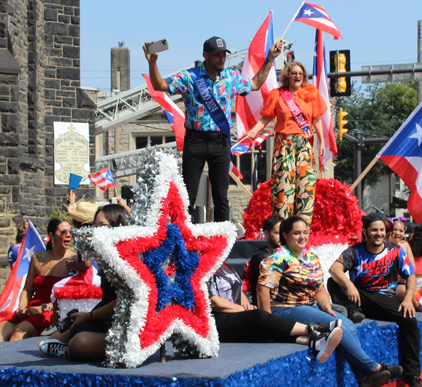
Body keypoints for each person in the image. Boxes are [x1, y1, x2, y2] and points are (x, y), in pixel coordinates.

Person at [143, 36, 282, 222]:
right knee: (188, 196)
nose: (221, 59)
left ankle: (222, 241)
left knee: (221, 196)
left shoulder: (232, 78)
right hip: (195, 141)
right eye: (217, 55)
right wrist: (153, 64)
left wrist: (270, 59)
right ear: (205, 55)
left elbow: (255, 84)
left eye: (224, 55)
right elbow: (159, 85)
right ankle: (184, 239)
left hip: (220, 142)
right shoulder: (190, 77)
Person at [258, 216, 403, 387]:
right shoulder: (278, 257)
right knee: (338, 324)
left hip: (308, 306)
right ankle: (373, 367)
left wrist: (327, 308)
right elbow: (263, 289)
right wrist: (267, 320)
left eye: (305, 232)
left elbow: (319, 289)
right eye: (297, 233)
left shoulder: (311, 257)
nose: (302, 237)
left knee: (346, 323)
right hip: (284, 308)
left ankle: (363, 378)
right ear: (286, 235)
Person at [328, 214, 421, 387]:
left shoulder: (395, 250)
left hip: (384, 300)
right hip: (360, 299)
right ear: (365, 231)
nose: (379, 233)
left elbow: (411, 275)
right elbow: (334, 268)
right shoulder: (355, 251)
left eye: (382, 230)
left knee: (409, 319)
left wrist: (408, 298)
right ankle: (354, 311)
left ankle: (412, 375)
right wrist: (349, 284)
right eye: (374, 230)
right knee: (333, 281)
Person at [39, 205, 128, 360]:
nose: (96, 231)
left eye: (103, 226)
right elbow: (83, 253)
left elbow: (121, 304)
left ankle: (69, 351)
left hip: (125, 326)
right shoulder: (101, 253)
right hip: (103, 318)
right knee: (52, 340)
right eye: (95, 226)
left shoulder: (127, 259)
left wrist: (89, 316)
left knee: (79, 344)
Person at [209, 261, 342, 363]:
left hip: (234, 312)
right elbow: (214, 302)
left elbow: (239, 291)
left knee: (265, 327)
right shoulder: (201, 267)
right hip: (215, 321)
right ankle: (314, 328)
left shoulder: (224, 265)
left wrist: (246, 305)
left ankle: (313, 341)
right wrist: (244, 310)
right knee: (259, 316)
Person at [247, 61, 326, 227]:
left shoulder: (310, 93)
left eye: (300, 73)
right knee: (284, 189)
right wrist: (255, 130)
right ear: (287, 76)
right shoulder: (277, 94)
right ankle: (282, 231)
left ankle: (302, 232)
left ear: (303, 76)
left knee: (306, 188)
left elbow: (317, 119)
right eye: (293, 73)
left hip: (304, 145)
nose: (297, 76)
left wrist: (322, 142)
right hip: (284, 146)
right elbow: (266, 117)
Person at [0, 218, 75, 342]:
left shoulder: (74, 260)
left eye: (70, 232)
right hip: (31, 308)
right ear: (51, 236)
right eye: (63, 232)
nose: (68, 235)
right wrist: (21, 307)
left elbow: (73, 296)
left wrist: (45, 307)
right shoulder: (37, 258)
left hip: (53, 312)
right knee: (1, 329)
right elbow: (27, 290)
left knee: (19, 331)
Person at [249, 215, 283, 305]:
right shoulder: (259, 255)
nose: (282, 237)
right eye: (278, 233)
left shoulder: (290, 253)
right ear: (267, 234)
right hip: (270, 306)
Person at [389, 217, 417, 305]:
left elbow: (413, 267)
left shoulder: (405, 245)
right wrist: (397, 276)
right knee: (415, 300)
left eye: (401, 231)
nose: (398, 233)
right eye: (395, 230)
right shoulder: (384, 245)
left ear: (404, 233)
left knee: (419, 292)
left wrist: (405, 275)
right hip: (391, 284)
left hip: (405, 281)